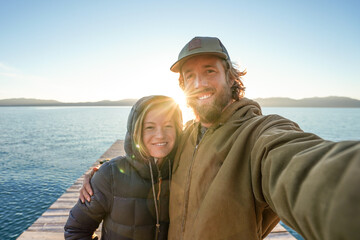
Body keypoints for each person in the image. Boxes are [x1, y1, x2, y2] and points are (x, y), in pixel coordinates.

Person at [80, 37, 360, 240]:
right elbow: (148, 163)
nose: (199, 83)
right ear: (184, 87)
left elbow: (300, 165)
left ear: (230, 76)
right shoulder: (185, 137)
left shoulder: (258, 134)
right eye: (190, 76)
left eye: (209, 71)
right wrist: (103, 172)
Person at [65, 95, 183, 240]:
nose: (160, 135)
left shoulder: (183, 169)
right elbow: (76, 230)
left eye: (168, 126)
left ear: (178, 129)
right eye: (150, 127)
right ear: (136, 132)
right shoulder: (110, 175)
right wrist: (102, 172)